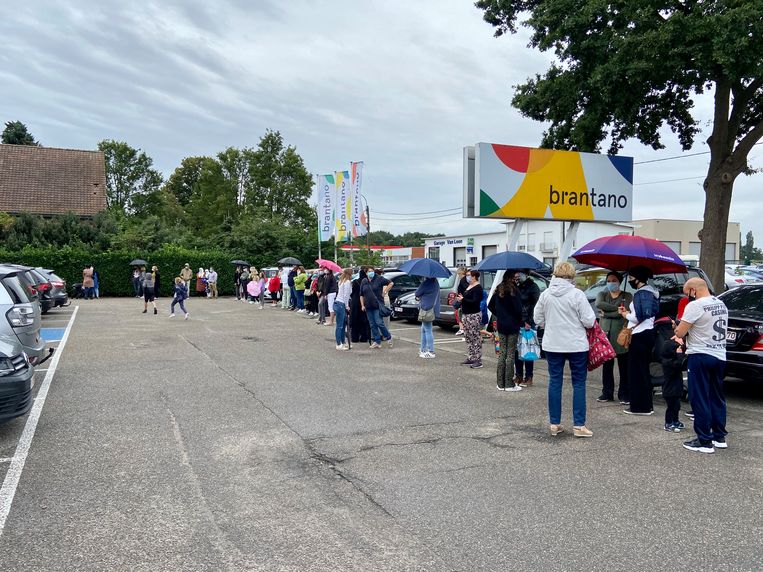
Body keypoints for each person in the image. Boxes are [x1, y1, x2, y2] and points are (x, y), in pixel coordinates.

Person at [534, 261, 596, 438]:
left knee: (555, 381)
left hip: (552, 343)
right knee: (578, 383)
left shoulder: (546, 294)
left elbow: (537, 318)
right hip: (576, 344)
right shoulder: (577, 295)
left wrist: (550, 325)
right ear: (572, 276)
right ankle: (579, 425)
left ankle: (555, 423)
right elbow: (589, 321)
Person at [673, 278, 728, 454]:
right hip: (719, 354)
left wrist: (676, 327)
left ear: (693, 290)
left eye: (687, 292)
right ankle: (719, 436)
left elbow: (681, 332)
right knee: (716, 396)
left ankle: (704, 440)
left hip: (700, 354)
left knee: (699, 397)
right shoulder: (720, 304)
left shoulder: (695, 306)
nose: (687, 296)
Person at [618, 266, 659, 416]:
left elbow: (640, 316)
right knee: (643, 371)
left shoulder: (642, 294)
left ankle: (640, 407)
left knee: (636, 371)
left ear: (638, 278)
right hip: (647, 334)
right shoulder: (652, 292)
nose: (629, 281)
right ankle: (647, 404)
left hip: (640, 334)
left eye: (631, 278)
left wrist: (626, 315)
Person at [595, 271, 633, 403]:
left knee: (624, 366)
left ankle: (624, 394)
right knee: (607, 366)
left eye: (614, 280)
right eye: (609, 280)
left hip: (621, 335)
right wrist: (617, 310)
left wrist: (606, 314)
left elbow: (624, 312)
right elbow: (599, 304)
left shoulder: (627, 296)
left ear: (620, 282)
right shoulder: (602, 294)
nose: (611, 283)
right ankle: (607, 393)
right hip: (605, 334)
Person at [488, 272, 524, 391]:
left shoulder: (499, 289)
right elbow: (519, 309)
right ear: (512, 278)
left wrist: (500, 314)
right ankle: (509, 383)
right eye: (516, 277)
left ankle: (500, 383)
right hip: (513, 325)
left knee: (502, 352)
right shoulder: (515, 291)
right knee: (510, 353)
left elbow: (490, 305)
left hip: (501, 325)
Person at [515, 270, 540, 387]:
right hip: (517, 321)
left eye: (520, 274)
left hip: (528, 322)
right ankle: (518, 375)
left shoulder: (533, 287)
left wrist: (529, 321)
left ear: (526, 274)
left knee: (528, 350)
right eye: (517, 274)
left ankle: (529, 376)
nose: (518, 276)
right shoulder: (516, 285)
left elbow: (535, 305)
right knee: (517, 351)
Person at [457, 270, 484, 368]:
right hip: (466, 314)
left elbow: (475, 301)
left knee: (475, 336)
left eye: (468, 275)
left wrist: (463, 299)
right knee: (468, 336)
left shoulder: (478, 287)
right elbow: (463, 293)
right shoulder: (469, 286)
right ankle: (471, 357)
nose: (467, 277)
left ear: (474, 277)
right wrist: (461, 298)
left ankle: (478, 359)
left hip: (474, 315)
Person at [360, 267, 392, 349]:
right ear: (366, 273)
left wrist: (384, 292)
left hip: (377, 305)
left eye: (372, 271)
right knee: (372, 324)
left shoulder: (379, 278)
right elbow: (361, 294)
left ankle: (388, 337)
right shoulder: (364, 281)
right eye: (369, 271)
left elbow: (391, 283)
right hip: (368, 306)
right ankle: (377, 341)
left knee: (379, 322)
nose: (371, 273)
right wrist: (362, 305)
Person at [415, 276, 440, 359]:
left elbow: (417, 293)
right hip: (432, 308)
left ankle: (431, 351)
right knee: (424, 330)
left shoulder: (426, 283)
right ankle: (423, 349)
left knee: (428, 330)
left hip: (426, 308)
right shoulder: (435, 282)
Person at [350, 270, 371, 344]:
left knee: (355, 320)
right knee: (364, 321)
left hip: (355, 302)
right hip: (364, 302)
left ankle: (355, 338)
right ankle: (364, 337)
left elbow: (352, 293)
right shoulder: (367, 282)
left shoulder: (355, 281)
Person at [334, 268, 353, 350]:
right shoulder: (347, 282)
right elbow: (346, 295)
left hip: (338, 303)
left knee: (342, 324)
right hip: (342, 304)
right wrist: (346, 306)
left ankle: (342, 342)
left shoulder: (341, 281)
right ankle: (339, 344)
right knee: (340, 325)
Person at [453, 267, 467, 336]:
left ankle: (463, 330)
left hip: (463, 301)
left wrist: (461, 297)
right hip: (463, 300)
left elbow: (465, 290)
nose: (458, 275)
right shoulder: (466, 280)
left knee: (461, 315)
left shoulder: (463, 280)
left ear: (461, 273)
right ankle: (463, 330)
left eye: (458, 274)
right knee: (461, 315)